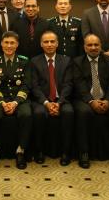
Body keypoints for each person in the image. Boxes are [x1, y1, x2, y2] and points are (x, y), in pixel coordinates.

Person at [72, 34, 109, 169]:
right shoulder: (77, 62)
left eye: (96, 45)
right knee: (83, 113)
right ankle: (84, 152)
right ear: (84, 47)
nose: (93, 47)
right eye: (89, 45)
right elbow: (79, 85)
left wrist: (108, 100)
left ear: (101, 46)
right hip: (85, 100)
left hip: (107, 98)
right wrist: (91, 101)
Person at [0, 31, 31, 169]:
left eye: (12, 43)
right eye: (6, 42)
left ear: (17, 45)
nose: (9, 46)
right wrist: (3, 103)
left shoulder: (24, 61)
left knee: (26, 115)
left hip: (19, 99)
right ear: (1, 44)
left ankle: (21, 151)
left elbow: (26, 85)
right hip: (0, 100)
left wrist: (15, 102)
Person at [29, 31, 74, 166]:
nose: (49, 44)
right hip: (42, 100)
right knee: (38, 113)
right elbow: (34, 87)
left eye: (52, 41)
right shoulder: (34, 61)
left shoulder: (66, 61)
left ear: (57, 43)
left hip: (62, 100)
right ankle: (39, 151)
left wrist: (59, 103)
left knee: (68, 112)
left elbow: (68, 84)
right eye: (46, 42)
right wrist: (47, 103)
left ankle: (66, 152)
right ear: (41, 44)